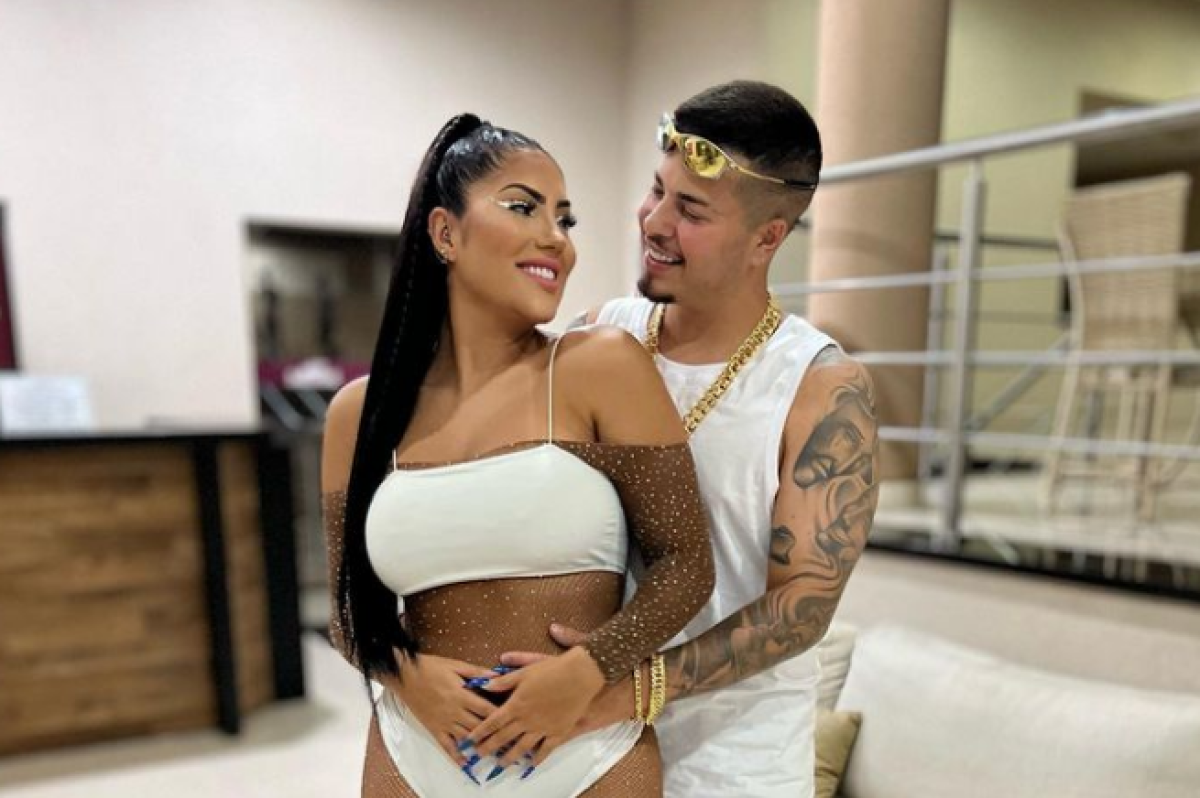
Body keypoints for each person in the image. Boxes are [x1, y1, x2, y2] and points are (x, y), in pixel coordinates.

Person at [499, 80, 881, 798]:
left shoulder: (820, 390)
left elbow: (802, 605)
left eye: (692, 210)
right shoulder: (597, 335)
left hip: (732, 765)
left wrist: (624, 687)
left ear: (768, 238)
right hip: (580, 743)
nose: (654, 221)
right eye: (656, 191)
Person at [320, 114, 716, 797]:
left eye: (565, 219)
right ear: (445, 233)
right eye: (523, 207)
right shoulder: (360, 414)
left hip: (586, 751)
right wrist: (410, 680)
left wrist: (587, 669)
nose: (556, 239)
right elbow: (348, 609)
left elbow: (686, 564)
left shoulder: (599, 368)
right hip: (415, 748)